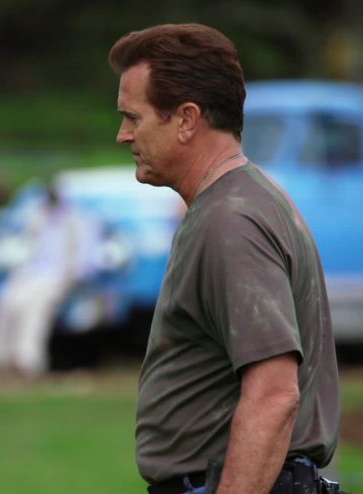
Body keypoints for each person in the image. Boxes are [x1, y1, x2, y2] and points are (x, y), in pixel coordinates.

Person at [109, 24, 342, 494]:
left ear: (186, 119)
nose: (123, 135)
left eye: (133, 117)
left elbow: (274, 394)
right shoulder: (244, 201)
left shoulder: (230, 221)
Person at [0, 184, 94, 377]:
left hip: (56, 278)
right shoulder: (38, 217)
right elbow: (26, 247)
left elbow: (84, 254)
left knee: (35, 309)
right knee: (7, 302)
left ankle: (27, 361)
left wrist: (73, 277)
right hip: (30, 275)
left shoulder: (75, 221)